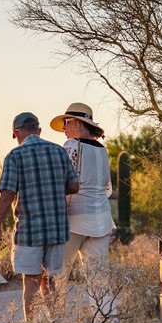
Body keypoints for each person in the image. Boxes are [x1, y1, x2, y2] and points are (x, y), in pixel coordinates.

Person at [0, 112, 79, 323]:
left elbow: (8, 193)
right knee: (50, 280)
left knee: (30, 280)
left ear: (16, 133)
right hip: (57, 229)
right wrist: (55, 188)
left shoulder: (15, 156)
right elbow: (74, 186)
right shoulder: (59, 152)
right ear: (39, 130)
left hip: (30, 230)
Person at [50, 103, 115, 282]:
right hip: (101, 219)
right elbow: (106, 186)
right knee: (99, 278)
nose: (64, 128)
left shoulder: (71, 145)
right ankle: (105, 310)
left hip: (74, 219)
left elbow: (63, 181)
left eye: (67, 122)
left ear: (78, 124)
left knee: (58, 275)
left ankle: (54, 311)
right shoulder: (102, 150)